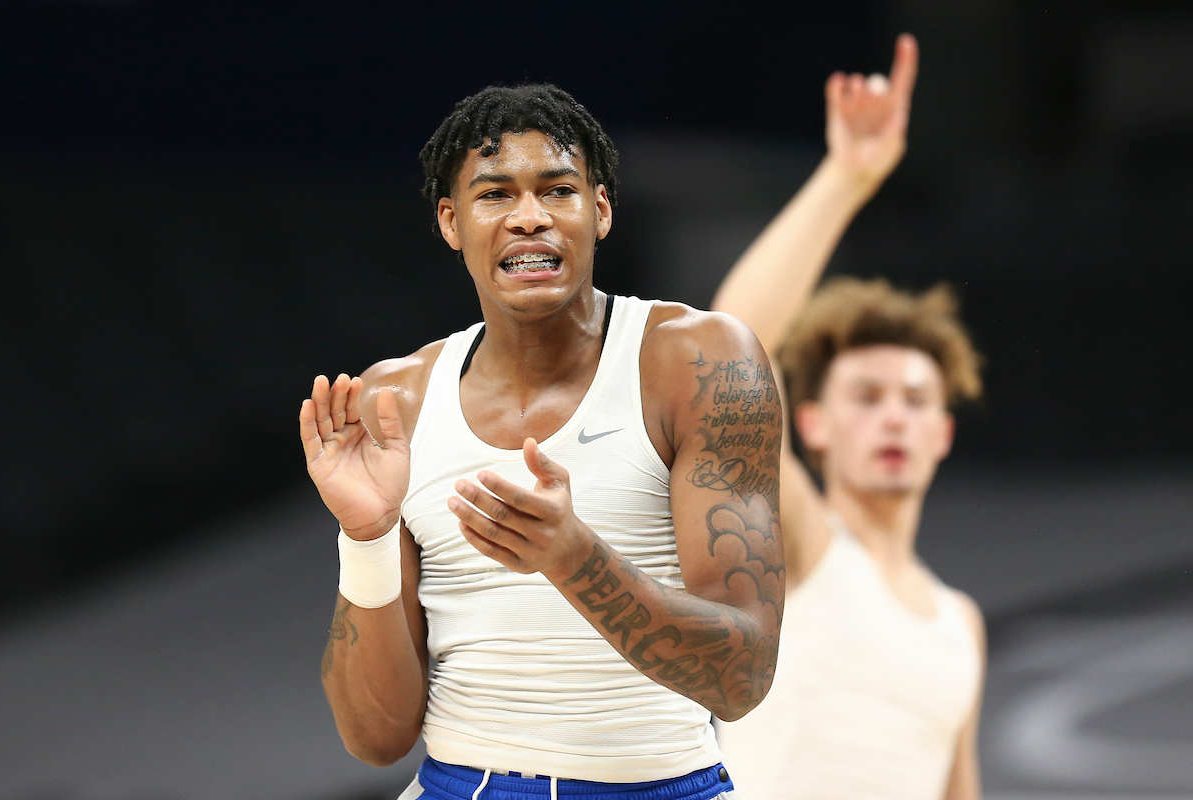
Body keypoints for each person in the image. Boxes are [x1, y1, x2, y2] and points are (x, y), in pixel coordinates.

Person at [298, 84, 785, 800]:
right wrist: (366, 539)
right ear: (450, 221)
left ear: (601, 209)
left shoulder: (699, 361)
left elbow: (741, 678)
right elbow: (377, 739)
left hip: (662, 783)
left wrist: (574, 558)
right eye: (495, 195)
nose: (529, 218)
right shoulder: (393, 399)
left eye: (556, 189)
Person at [712, 36, 987, 800]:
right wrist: (847, 177)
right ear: (813, 427)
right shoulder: (802, 546)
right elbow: (733, 349)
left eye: (915, 401)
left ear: (943, 434)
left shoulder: (960, 624)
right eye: (866, 398)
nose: (893, 419)